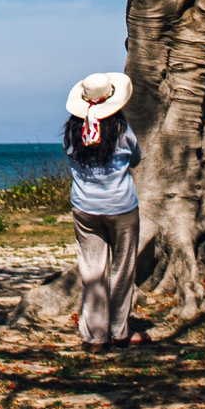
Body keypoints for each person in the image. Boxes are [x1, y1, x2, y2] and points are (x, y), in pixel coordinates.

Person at [63, 71, 142, 350]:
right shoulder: (122, 130)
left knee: (92, 270)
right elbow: (136, 158)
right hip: (121, 206)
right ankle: (119, 331)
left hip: (85, 207)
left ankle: (95, 336)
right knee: (122, 269)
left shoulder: (73, 131)